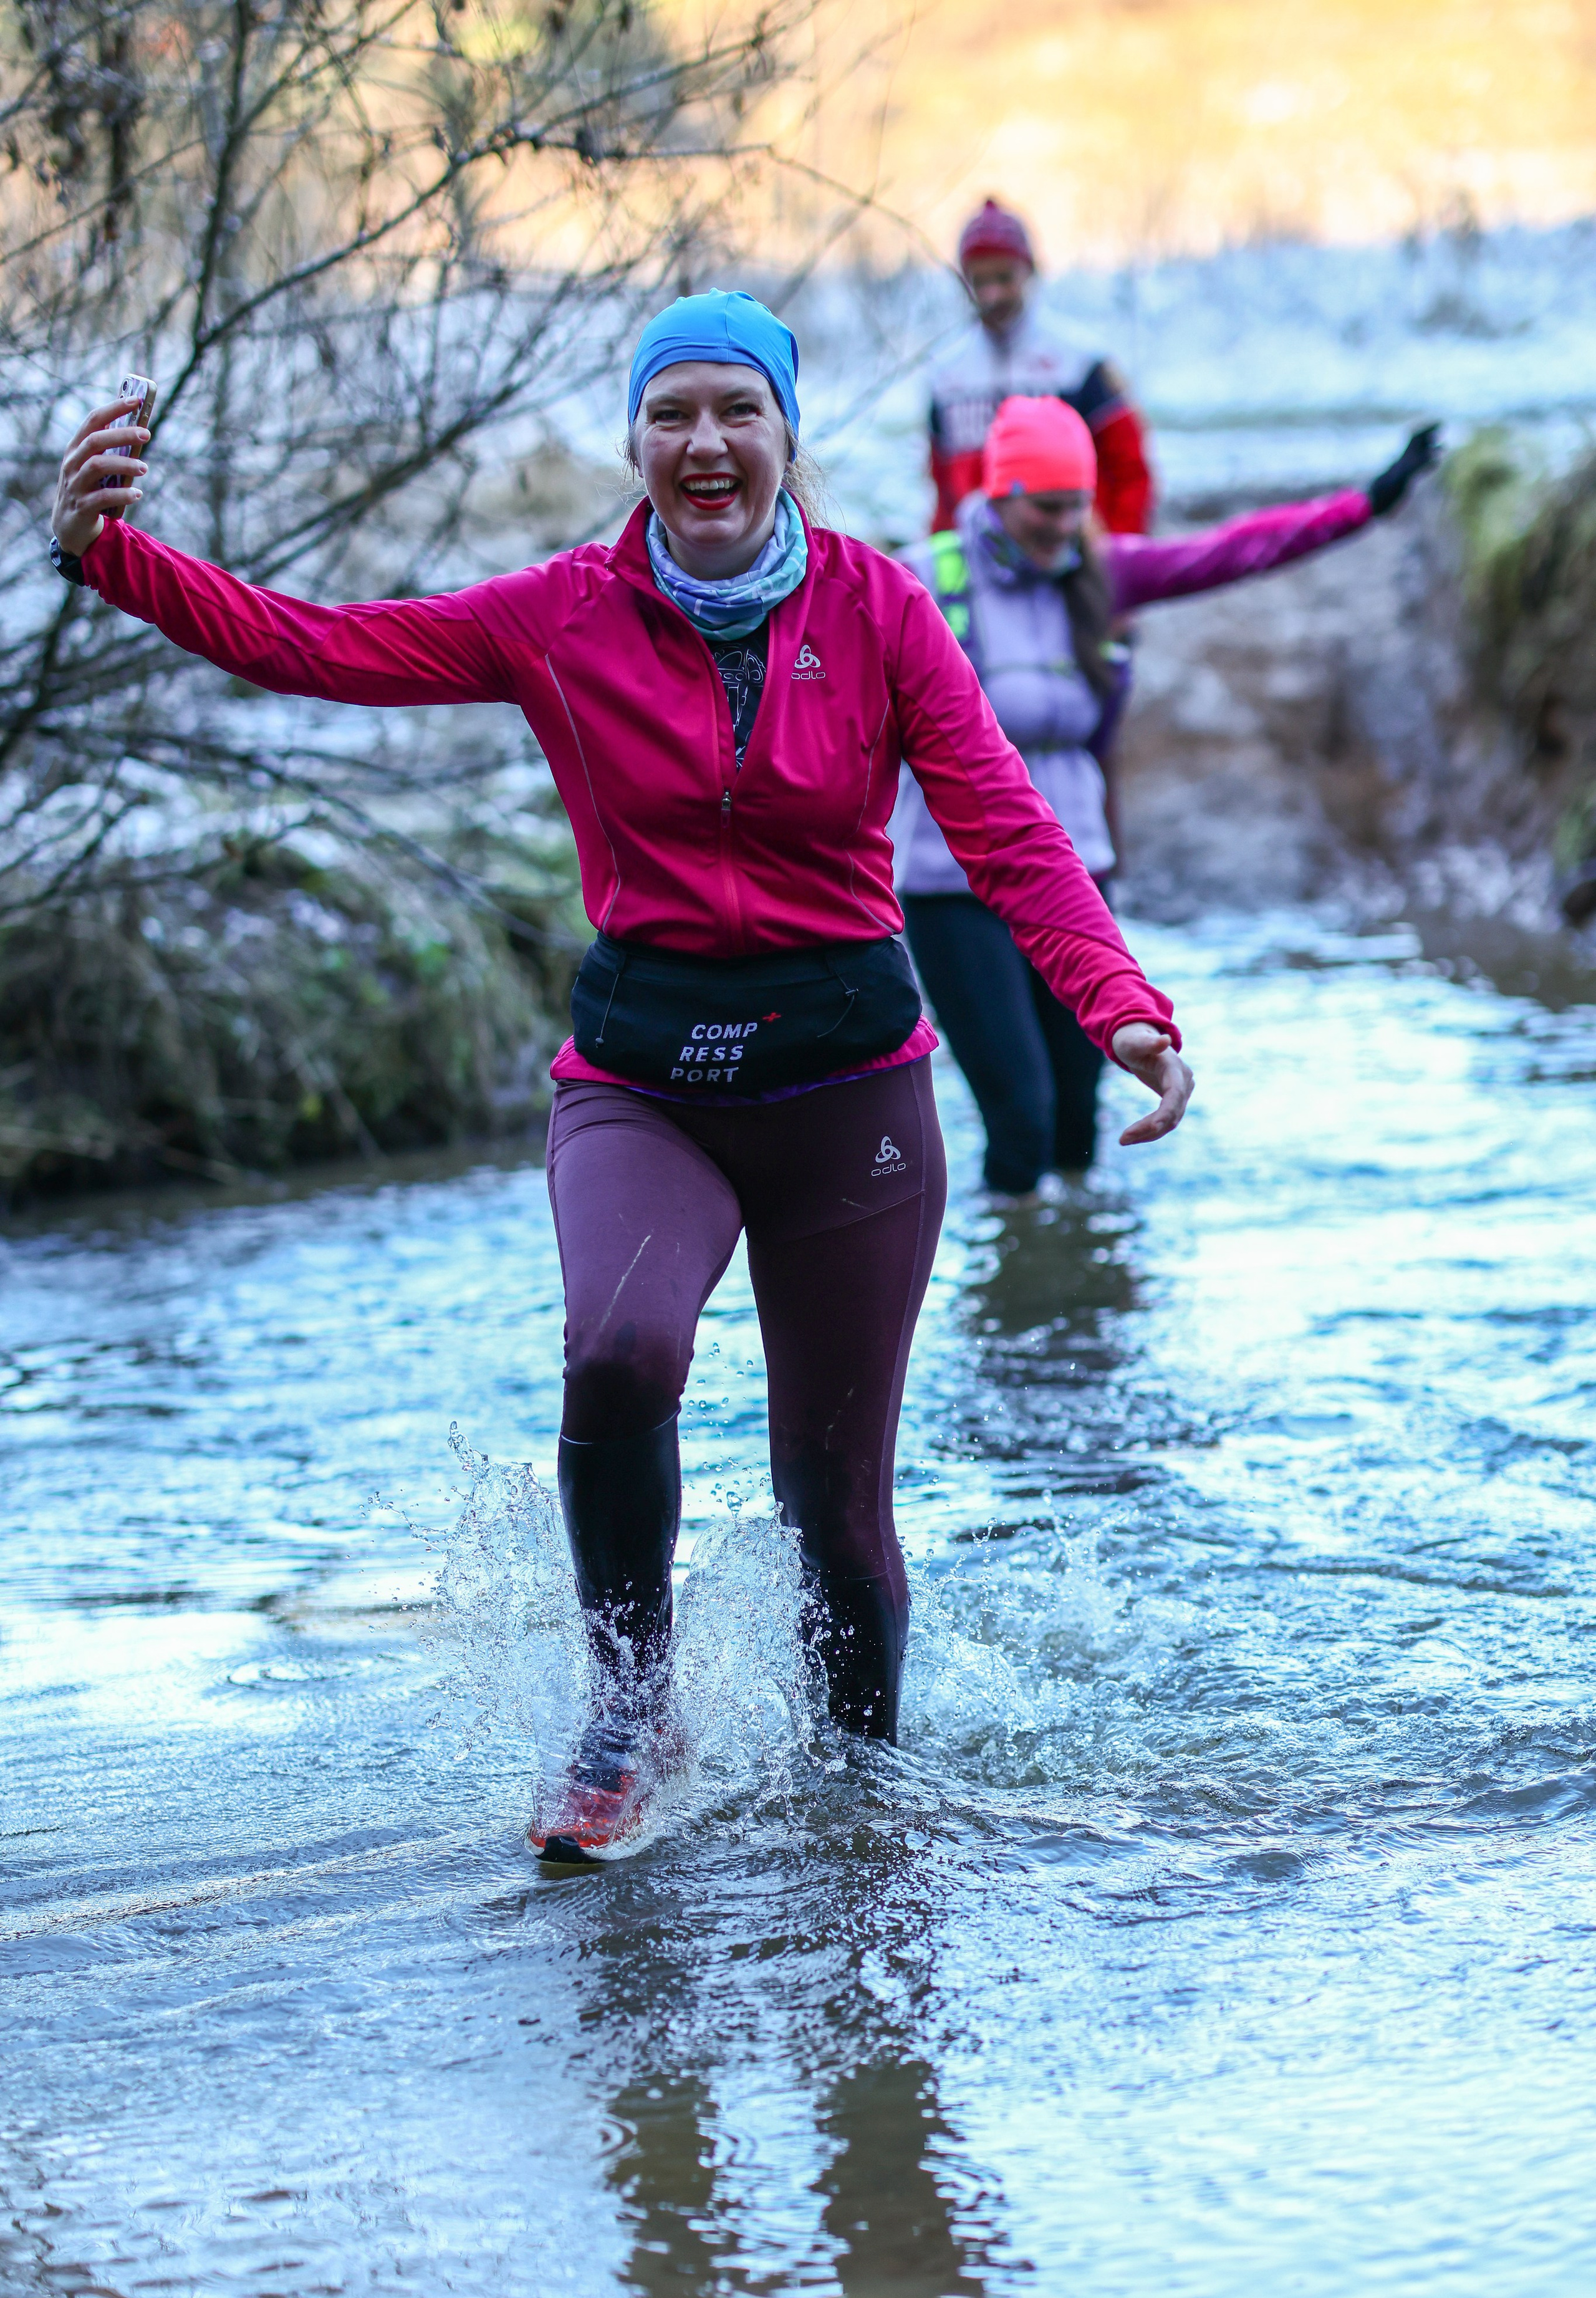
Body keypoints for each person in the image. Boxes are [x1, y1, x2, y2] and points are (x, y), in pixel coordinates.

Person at [49, 292, 1193, 1862]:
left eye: (737, 410)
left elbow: (1003, 826)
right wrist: (110, 553)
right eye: (672, 415)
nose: (704, 442)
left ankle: (860, 1819)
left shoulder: (875, 611)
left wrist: (1116, 1004)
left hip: (849, 1093)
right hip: (641, 1085)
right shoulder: (557, 615)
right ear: (635, 440)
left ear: (787, 434)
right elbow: (319, 647)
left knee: (834, 1509)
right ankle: (628, 1709)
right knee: (620, 1354)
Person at [892, 396, 1440, 1198]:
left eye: (1078, 507)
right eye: (1047, 508)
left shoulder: (1100, 574)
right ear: (1000, 493)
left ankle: (1078, 1287)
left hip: (1070, 880)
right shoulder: (924, 578)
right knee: (1021, 1115)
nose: (1063, 527)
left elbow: (1231, 553)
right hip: (952, 890)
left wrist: (1365, 506)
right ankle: (1011, 1290)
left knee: (1079, 1121)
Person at [928, 198, 1155, 537]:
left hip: (1074, 560)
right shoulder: (946, 374)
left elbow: (1130, 470)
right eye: (980, 281)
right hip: (983, 569)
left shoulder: (1078, 361)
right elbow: (944, 493)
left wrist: (1118, 556)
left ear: (1030, 271)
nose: (992, 294)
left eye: (1004, 278)